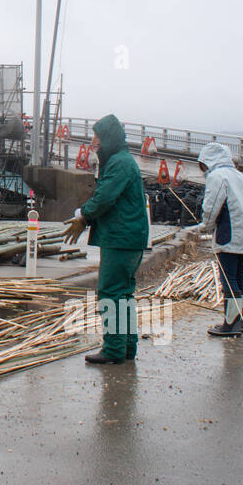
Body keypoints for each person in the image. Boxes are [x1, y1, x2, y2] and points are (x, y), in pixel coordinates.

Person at [62, 114, 149, 365]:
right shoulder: (122, 161)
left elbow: (104, 197)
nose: (93, 142)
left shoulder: (119, 163)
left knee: (110, 292)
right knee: (124, 294)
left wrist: (82, 215)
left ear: (108, 138)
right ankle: (126, 348)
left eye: (97, 137)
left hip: (120, 239)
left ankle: (112, 349)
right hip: (129, 237)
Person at [197, 142, 243, 337]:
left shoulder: (217, 177)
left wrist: (203, 227)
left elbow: (211, 208)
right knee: (238, 277)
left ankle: (230, 324)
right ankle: (239, 322)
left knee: (228, 279)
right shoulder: (239, 176)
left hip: (230, 235)